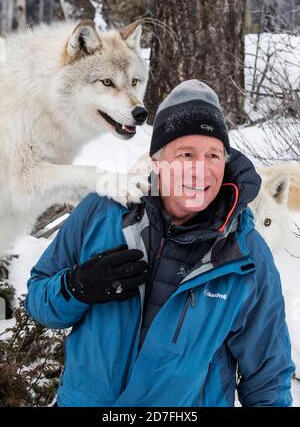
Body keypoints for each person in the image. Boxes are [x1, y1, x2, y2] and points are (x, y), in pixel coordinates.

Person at [25, 80, 295, 407]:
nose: (201, 169)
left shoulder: (245, 252)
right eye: (186, 154)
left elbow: (268, 375)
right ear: (157, 162)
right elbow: (39, 301)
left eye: (213, 155)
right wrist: (76, 287)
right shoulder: (102, 211)